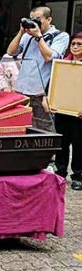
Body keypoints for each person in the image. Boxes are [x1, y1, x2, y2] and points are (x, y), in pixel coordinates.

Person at [7, 6, 70, 131]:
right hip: (22, 91)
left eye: (37, 19)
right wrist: (21, 32)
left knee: (43, 129)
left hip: (42, 93)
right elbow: (11, 51)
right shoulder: (27, 35)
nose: (34, 22)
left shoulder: (60, 36)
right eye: (31, 19)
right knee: (21, 127)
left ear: (49, 19)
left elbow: (49, 56)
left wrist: (38, 37)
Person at [47, 32, 82, 190]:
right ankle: (60, 172)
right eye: (73, 44)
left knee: (79, 144)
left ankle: (78, 176)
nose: (75, 47)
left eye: (79, 44)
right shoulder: (62, 64)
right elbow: (55, 85)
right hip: (61, 111)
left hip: (79, 114)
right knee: (62, 143)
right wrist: (53, 101)